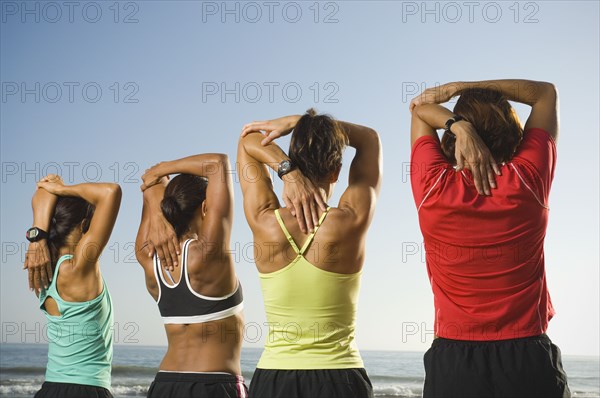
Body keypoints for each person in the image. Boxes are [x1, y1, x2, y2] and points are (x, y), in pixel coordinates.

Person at [409, 79, 570, 397]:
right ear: (512, 134)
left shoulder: (431, 187)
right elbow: (545, 93)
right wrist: (459, 87)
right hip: (527, 356)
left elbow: (418, 111)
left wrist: (459, 126)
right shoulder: (529, 179)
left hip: (454, 360)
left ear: (454, 139)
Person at [238, 109, 382, 398]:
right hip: (341, 378)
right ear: (336, 171)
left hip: (274, 379)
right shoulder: (351, 220)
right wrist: (304, 124)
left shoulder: (264, 221)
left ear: (295, 163)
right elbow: (369, 139)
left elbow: (246, 142)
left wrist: (286, 171)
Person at [135, 153, 248, 398]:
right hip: (214, 386)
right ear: (206, 207)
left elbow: (149, 187)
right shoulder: (209, 254)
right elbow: (219, 164)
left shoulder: (148, 259)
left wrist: (156, 201)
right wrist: (163, 167)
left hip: (164, 384)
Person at [24, 175, 121, 398]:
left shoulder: (43, 269)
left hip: (49, 389)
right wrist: (64, 189)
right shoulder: (78, 268)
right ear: (85, 225)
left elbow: (41, 188)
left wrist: (38, 236)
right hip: (87, 390)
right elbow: (111, 192)